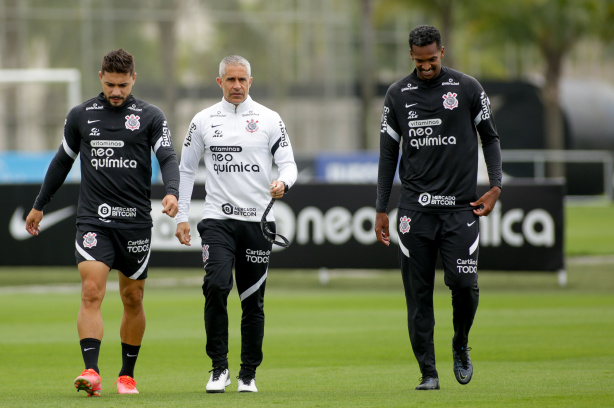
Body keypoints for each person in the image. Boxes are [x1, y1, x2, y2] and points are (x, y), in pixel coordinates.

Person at [25, 49, 180, 397]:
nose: (116, 92)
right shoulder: (81, 116)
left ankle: (127, 375)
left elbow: (168, 156)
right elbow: (61, 162)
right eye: (110, 84)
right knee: (91, 290)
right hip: (94, 220)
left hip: (136, 224)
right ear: (100, 77)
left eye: (122, 85)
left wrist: (172, 192)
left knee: (133, 297)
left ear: (134, 80)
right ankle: (91, 370)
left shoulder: (151, 116)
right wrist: (39, 205)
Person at [375, 25, 502, 391]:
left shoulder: (467, 88)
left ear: (442, 52)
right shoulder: (397, 94)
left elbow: (490, 138)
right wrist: (382, 207)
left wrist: (495, 186)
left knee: (464, 285)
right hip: (414, 211)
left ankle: (460, 343)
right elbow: (387, 154)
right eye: (419, 61)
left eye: (432, 60)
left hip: (461, 209)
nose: (426, 67)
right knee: (418, 295)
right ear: (410, 55)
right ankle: (428, 372)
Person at [174, 55, 297, 393]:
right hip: (217, 220)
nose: (237, 86)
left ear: (251, 81)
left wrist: (283, 183)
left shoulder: (270, 119)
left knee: (252, 300)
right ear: (220, 82)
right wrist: (183, 216)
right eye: (230, 80)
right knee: (215, 286)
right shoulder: (203, 120)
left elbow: (288, 164)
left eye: (242, 80)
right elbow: (186, 169)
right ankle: (219, 368)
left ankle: (247, 374)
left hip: (258, 223)